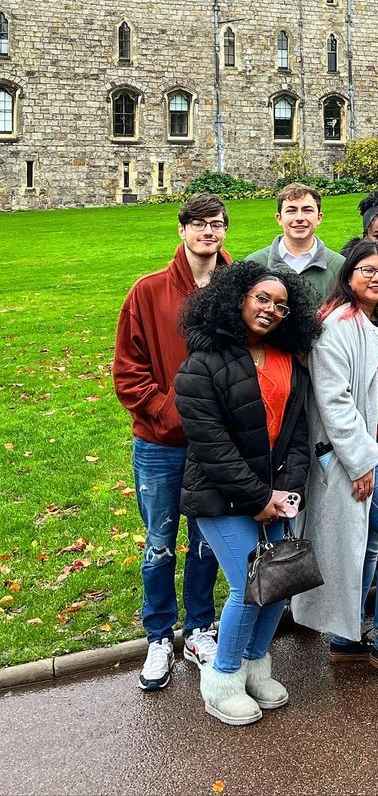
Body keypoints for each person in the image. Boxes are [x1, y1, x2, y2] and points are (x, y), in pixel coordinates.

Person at [173, 262, 318, 725]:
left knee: (278, 583)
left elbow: (298, 434)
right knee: (247, 587)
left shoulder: (287, 361)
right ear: (237, 299)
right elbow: (212, 448)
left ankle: (256, 667)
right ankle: (222, 678)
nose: (272, 310)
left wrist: (287, 491)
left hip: (276, 495)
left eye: (281, 304)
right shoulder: (202, 365)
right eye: (262, 299)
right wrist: (258, 499)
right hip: (220, 497)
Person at [292, 240, 378, 680]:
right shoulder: (337, 326)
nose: (377, 277)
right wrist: (361, 464)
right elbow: (335, 405)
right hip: (364, 456)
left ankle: (347, 640)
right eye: (367, 270)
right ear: (349, 275)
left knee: (370, 546)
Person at [112, 192, 228, 693]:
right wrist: (170, 414)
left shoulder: (238, 288)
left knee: (206, 543)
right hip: (161, 443)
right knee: (160, 545)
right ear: (182, 231)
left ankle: (200, 627)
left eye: (217, 224)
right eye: (199, 224)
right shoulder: (149, 291)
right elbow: (129, 372)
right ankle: (159, 635)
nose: (209, 232)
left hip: (217, 445)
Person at [245, 182, 344, 300]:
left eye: (307, 210)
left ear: (319, 218)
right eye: (291, 210)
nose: (299, 218)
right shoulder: (254, 263)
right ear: (279, 218)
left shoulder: (339, 266)